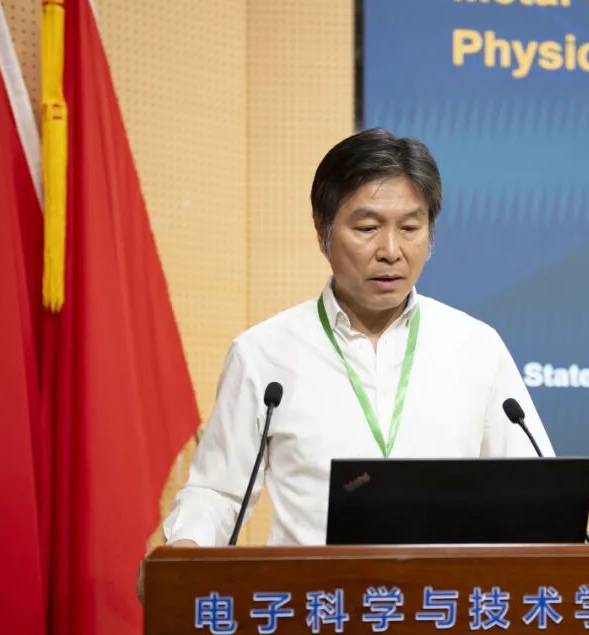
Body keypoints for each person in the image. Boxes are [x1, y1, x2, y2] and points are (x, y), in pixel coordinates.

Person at [162, 128, 553, 547]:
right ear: (323, 231)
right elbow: (218, 492)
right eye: (367, 227)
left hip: (444, 589)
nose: (391, 250)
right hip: (313, 589)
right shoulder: (263, 354)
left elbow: (534, 489)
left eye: (410, 227)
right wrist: (186, 546)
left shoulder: (477, 348)